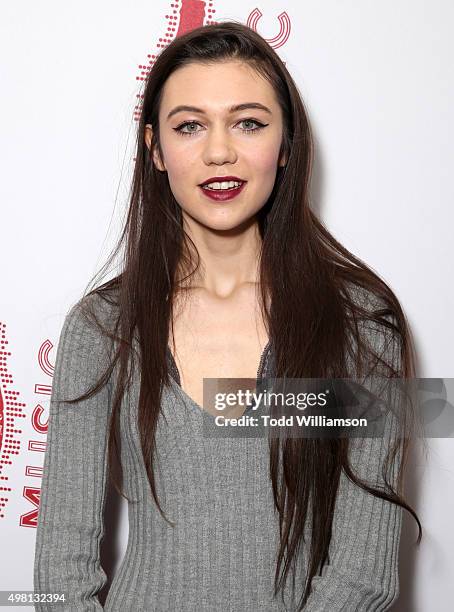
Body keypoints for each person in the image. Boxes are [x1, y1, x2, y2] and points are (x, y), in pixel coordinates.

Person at [33, 21, 421, 611]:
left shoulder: (365, 324)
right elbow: (61, 570)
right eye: (189, 125)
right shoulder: (102, 327)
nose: (219, 151)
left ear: (286, 144)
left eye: (249, 123)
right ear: (155, 149)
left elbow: (364, 576)